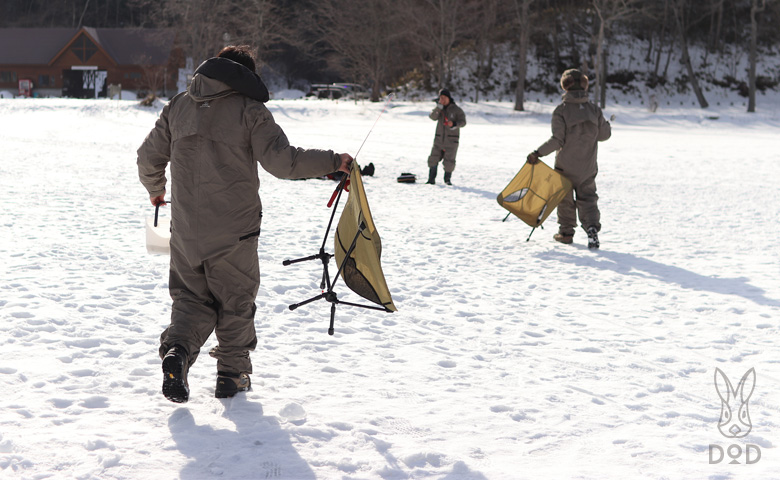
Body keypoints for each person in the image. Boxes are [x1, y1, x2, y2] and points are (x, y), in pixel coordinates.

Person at [137, 45, 353, 403]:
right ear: (244, 78)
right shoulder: (250, 110)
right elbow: (285, 163)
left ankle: (177, 351)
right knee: (235, 302)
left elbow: (148, 157)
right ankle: (231, 376)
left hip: (186, 232)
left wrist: (155, 190)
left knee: (191, 300)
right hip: (234, 233)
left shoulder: (178, 105)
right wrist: (334, 161)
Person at [526, 69, 611, 249]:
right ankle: (592, 229)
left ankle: (565, 233)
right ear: (585, 85)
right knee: (588, 198)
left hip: (565, 166)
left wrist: (537, 153)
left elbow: (557, 140)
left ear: (565, 86)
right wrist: (606, 124)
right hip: (587, 165)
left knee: (564, 198)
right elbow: (604, 135)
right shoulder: (594, 110)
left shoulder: (561, 111)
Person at [426, 88, 466, 185]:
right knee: (433, 159)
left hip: (451, 141)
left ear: (448, 98)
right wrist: (438, 107)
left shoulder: (456, 110)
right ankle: (431, 180)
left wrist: (454, 124)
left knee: (449, 161)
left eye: (444, 97)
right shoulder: (439, 109)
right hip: (439, 139)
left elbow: (463, 122)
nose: (442, 100)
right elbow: (432, 117)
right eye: (440, 98)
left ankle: (447, 180)